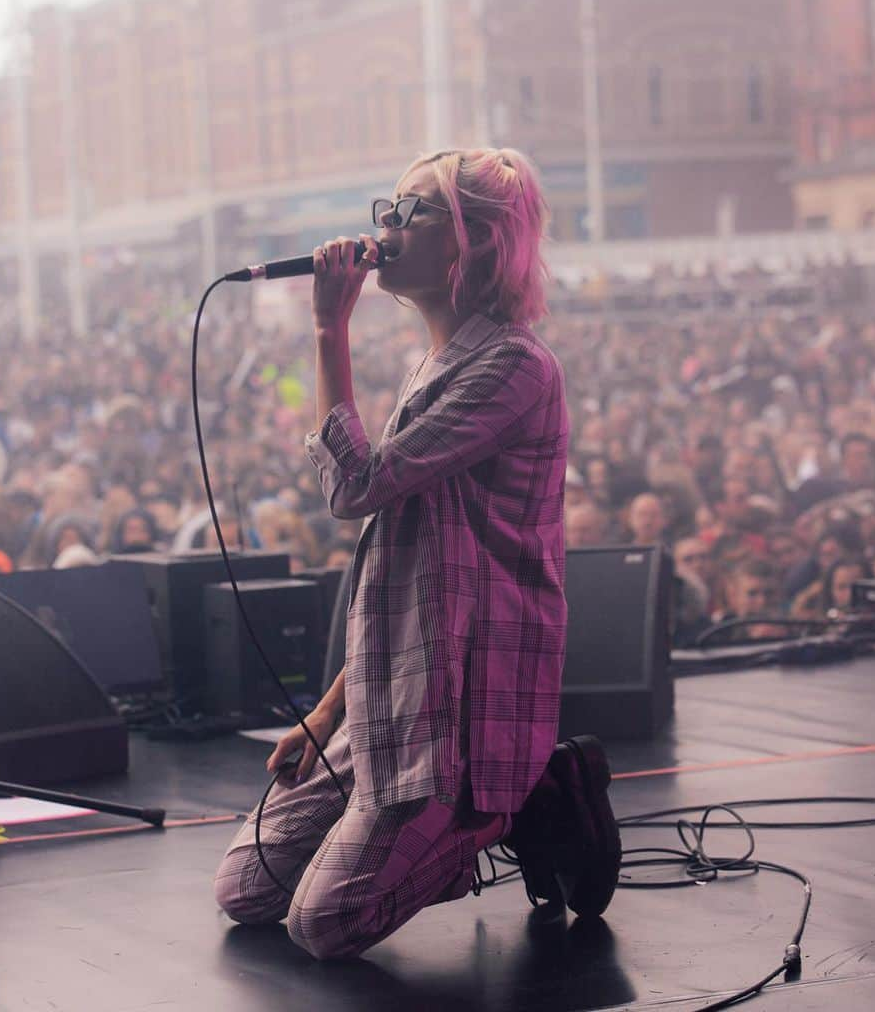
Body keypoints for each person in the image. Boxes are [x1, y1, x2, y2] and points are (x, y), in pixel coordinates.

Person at [214, 148, 616, 958]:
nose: (387, 227)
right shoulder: (433, 367)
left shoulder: (514, 367)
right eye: (387, 209)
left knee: (323, 927)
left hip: (463, 711)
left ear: (481, 240)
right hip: (393, 701)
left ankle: (523, 799)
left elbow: (352, 489)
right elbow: (401, 583)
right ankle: (456, 813)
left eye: (413, 210)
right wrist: (329, 717)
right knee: (247, 891)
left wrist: (330, 326)